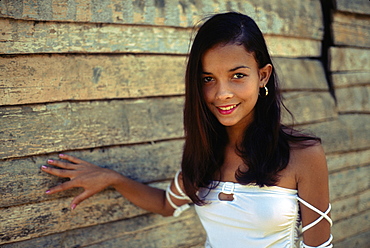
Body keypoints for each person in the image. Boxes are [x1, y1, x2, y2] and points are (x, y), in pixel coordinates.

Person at [41, 12, 332, 248]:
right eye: (208, 78)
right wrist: (112, 178)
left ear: (262, 76)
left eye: (238, 76)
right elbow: (167, 204)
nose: (222, 93)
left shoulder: (302, 154)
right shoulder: (205, 153)